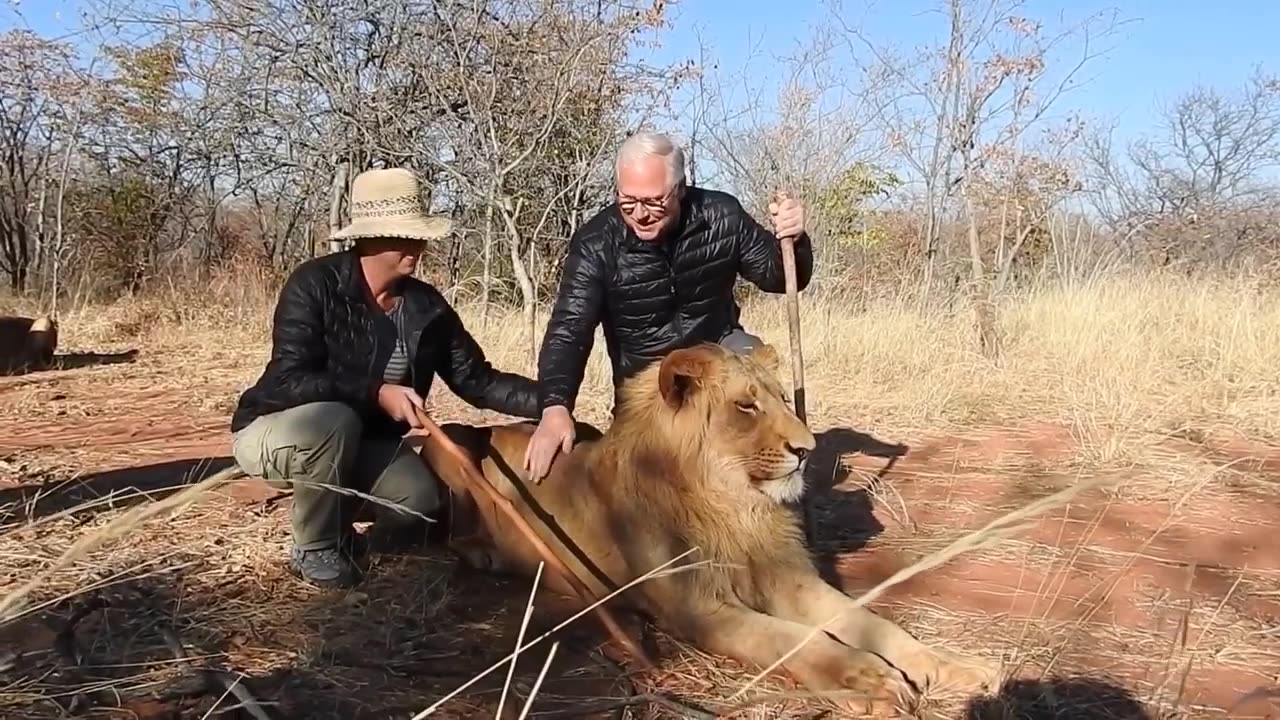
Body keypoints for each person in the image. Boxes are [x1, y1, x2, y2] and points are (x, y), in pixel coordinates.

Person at [230, 167, 540, 588]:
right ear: (369, 237)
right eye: (402, 234)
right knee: (333, 420)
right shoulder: (315, 284)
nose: (416, 245)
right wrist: (376, 392)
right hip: (279, 431)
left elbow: (478, 381)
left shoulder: (426, 306)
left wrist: (555, 400)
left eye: (417, 234)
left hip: (362, 446)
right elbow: (290, 379)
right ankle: (316, 545)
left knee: (420, 501)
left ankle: (352, 529)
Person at [524, 131, 813, 480]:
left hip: (719, 354)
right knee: (647, 481)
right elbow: (570, 330)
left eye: (654, 202)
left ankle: (773, 461)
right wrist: (555, 407)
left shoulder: (722, 215)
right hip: (650, 377)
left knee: (752, 365)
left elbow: (779, 276)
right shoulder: (595, 243)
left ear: (680, 189)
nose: (640, 214)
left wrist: (793, 239)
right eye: (627, 201)